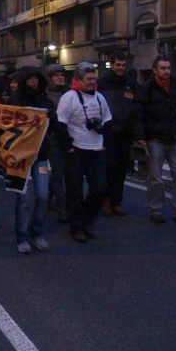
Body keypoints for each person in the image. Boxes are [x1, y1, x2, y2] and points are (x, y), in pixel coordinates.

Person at [9, 67, 68, 253]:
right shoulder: (14, 101)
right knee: (24, 199)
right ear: (24, 80)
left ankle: (37, 232)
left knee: (42, 195)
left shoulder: (45, 101)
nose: (34, 82)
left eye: (36, 79)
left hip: (41, 156)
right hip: (21, 157)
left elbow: (56, 126)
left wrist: (67, 144)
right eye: (30, 79)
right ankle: (22, 236)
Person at [133, 56, 176, 226]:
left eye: (168, 68)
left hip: (175, 138)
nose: (166, 71)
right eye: (163, 68)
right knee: (156, 177)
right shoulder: (147, 88)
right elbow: (138, 113)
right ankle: (156, 209)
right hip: (155, 139)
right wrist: (140, 137)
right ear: (155, 70)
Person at [56, 63, 112, 243]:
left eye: (94, 78)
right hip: (76, 150)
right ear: (79, 79)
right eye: (88, 79)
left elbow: (108, 121)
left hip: (96, 149)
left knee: (99, 189)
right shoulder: (69, 98)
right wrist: (68, 147)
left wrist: (104, 142)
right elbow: (60, 124)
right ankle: (77, 227)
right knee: (75, 191)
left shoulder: (100, 97)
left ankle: (87, 220)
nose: (92, 82)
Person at [97, 51, 135, 217]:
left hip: (125, 132)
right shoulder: (102, 82)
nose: (121, 68)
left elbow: (137, 105)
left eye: (123, 65)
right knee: (108, 167)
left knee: (121, 169)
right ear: (111, 64)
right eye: (117, 65)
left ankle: (116, 201)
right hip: (108, 132)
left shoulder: (130, 83)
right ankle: (105, 201)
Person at [45, 64, 69, 223]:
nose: (60, 78)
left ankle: (49, 196)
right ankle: (62, 207)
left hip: (69, 137)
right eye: (56, 75)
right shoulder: (45, 96)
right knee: (59, 172)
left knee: (64, 172)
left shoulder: (69, 94)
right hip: (53, 138)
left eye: (62, 75)